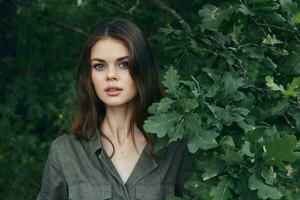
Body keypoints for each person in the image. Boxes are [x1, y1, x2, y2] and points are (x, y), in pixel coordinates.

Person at [36, 18, 194, 200]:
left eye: (123, 64)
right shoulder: (65, 152)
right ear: (90, 75)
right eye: (99, 66)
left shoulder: (177, 148)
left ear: (143, 69)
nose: (111, 75)